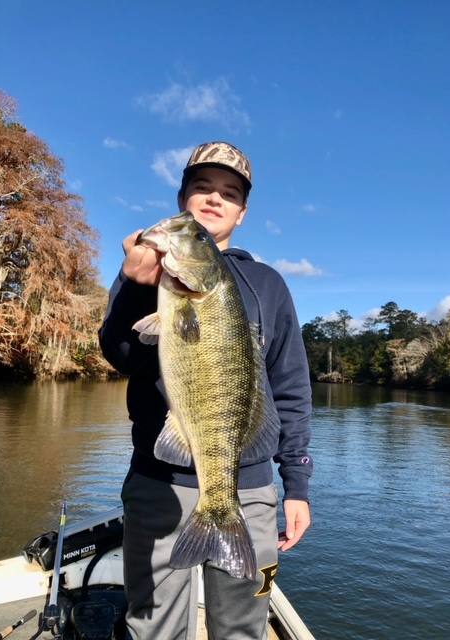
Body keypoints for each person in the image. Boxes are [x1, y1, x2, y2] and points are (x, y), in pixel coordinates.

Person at [99, 141, 313, 640]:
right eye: (202, 187)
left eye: (229, 192)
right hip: (157, 481)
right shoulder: (145, 271)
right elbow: (121, 356)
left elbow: (291, 389)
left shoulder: (268, 284)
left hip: (251, 490)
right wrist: (133, 287)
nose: (214, 198)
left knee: (243, 623)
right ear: (181, 198)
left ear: (242, 212)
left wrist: (297, 485)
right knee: (152, 625)